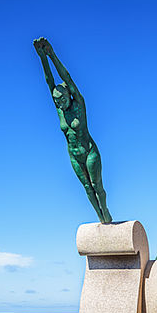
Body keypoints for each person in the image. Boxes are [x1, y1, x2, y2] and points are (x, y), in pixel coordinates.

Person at [34, 37, 112, 224]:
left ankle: (106, 211)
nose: (59, 103)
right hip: (73, 154)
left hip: (89, 152)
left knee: (96, 186)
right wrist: (41, 58)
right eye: (56, 101)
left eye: (61, 99)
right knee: (87, 187)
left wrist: (51, 54)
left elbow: (65, 78)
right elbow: (49, 81)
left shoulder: (79, 105)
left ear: (69, 95)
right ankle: (99, 216)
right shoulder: (60, 110)